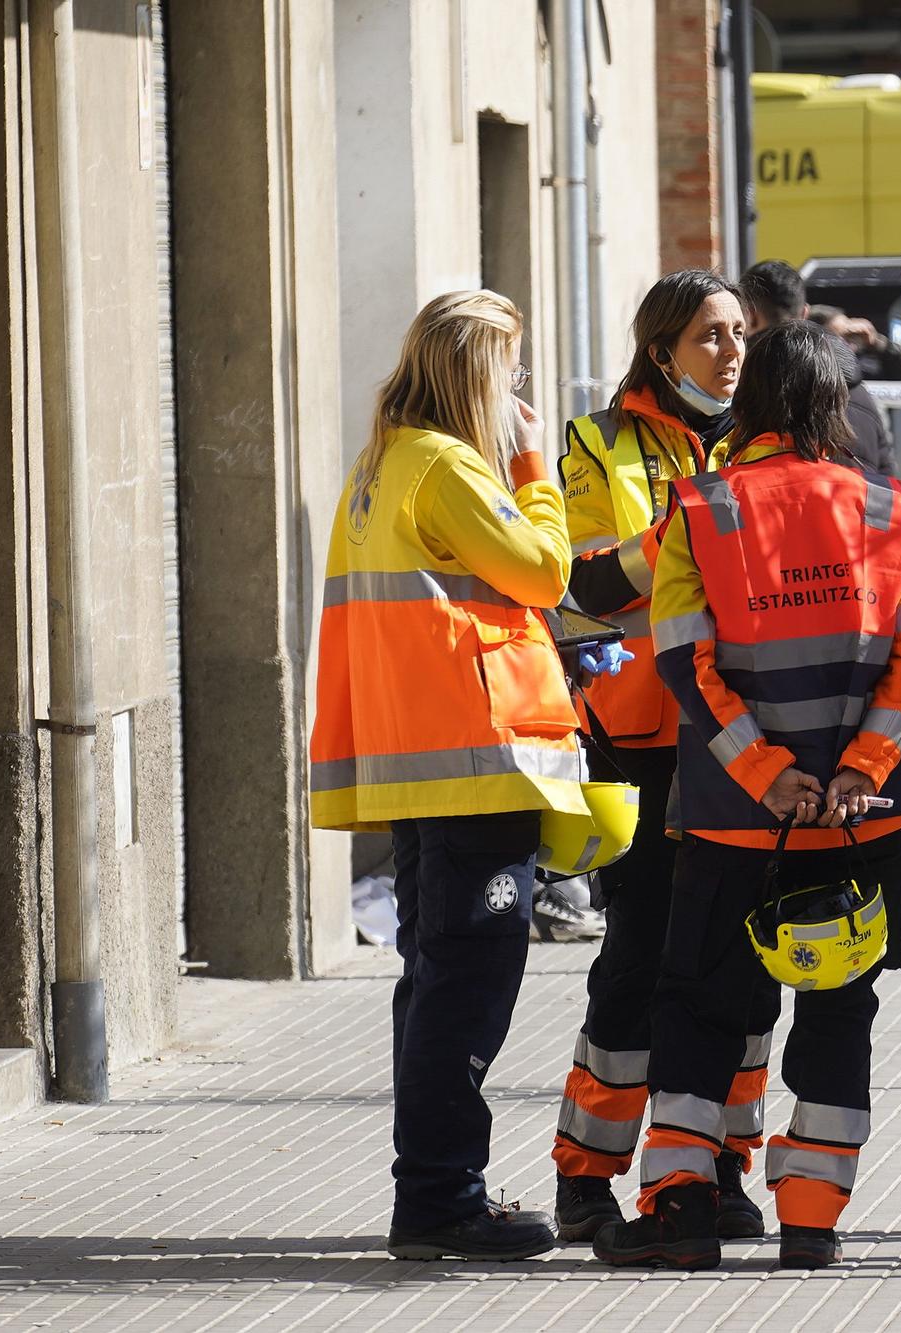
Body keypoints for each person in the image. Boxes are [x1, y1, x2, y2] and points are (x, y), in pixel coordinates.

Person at [596, 319, 901, 1271]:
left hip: (735, 822)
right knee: (838, 1009)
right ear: (833, 406)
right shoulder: (889, 510)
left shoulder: (701, 509)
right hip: (862, 825)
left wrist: (768, 776)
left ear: (750, 406)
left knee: (703, 1008)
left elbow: (685, 665)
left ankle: (682, 1210)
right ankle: (815, 1221)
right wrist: (854, 775)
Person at [309, 289, 582, 1261]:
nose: (517, 388)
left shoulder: (380, 462)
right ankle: (439, 1198)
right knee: (466, 985)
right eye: (508, 370)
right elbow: (544, 571)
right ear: (478, 375)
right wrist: (531, 463)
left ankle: (432, 1190)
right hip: (473, 763)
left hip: (419, 766)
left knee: (431, 981)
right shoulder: (449, 467)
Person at [548, 271, 767, 1243]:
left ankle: (716, 1166)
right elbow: (584, 584)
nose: (729, 352)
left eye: (738, 334)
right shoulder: (599, 442)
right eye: (709, 337)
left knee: (741, 963)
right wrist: (684, 527)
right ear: (661, 350)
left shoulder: (767, 439)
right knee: (636, 960)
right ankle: (586, 1177)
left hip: (742, 737)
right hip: (637, 740)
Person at [737, 259, 900, 476]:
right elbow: (888, 479)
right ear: (804, 313)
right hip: (858, 507)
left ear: (749, 316)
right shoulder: (860, 392)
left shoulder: (746, 386)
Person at [809, 303, 901, 384]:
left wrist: (878, 343)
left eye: (851, 336)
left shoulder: (866, 367)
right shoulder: (808, 372)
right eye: (839, 339)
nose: (850, 345)